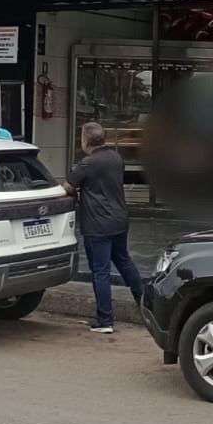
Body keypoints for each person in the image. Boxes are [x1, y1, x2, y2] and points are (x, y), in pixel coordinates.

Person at [63, 121, 139, 334]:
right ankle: (146, 304)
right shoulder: (116, 158)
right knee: (125, 262)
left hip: (97, 225)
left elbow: (68, 187)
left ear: (85, 141)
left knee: (100, 271)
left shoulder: (87, 163)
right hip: (119, 220)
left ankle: (105, 319)